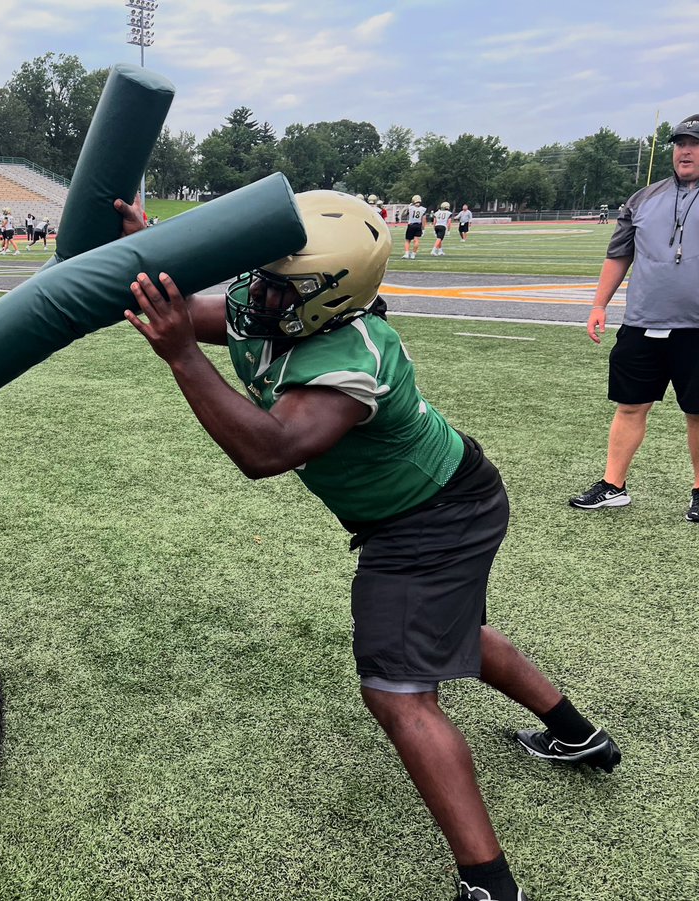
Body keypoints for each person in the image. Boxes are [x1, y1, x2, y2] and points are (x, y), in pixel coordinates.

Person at [123, 190, 620, 901]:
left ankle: (490, 886)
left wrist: (179, 356)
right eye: (259, 276)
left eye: (278, 285)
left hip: (434, 517)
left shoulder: (351, 356)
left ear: (329, 295)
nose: (255, 293)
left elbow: (268, 450)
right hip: (439, 499)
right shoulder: (283, 308)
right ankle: (578, 736)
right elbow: (200, 314)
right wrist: (149, 254)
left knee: (397, 689)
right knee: (455, 633)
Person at [569, 113, 699, 521]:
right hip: (642, 323)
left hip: (696, 328)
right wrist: (598, 305)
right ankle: (613, 485)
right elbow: (619, 254)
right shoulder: (643, 199)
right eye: (680, 144)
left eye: (695, 144)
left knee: (698, 413)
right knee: (629, 406)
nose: (686, 151)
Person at [402, 193, 427, 259]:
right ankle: (413, 254)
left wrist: (407, 208)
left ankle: (406, 254)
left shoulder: (410, 208)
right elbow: (423, 220)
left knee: (408, 240)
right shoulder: (423, 209)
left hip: (411, 225)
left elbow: (403, 215)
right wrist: (423, 229)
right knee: (416, 240)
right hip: (418, 225)